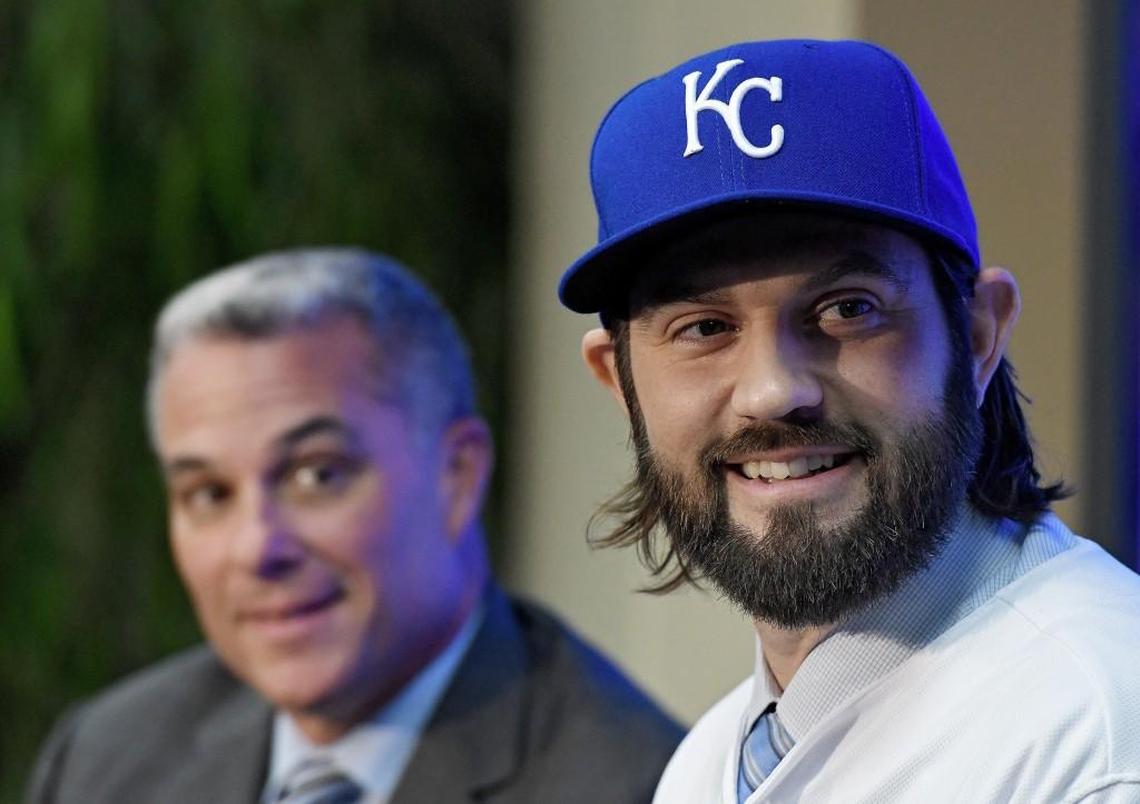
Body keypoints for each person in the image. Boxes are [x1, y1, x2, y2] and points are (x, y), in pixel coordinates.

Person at [559, 39, 1140, 802]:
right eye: (703, 328)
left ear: (977, 335)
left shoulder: (1102, 742)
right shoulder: (707, 764)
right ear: (621, 381)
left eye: (847, 309)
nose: (773, 391)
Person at [26, 248, 682, 804]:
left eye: (317, 475)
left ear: (457, 474)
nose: (257, 547)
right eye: (209, 493)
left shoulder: (638, 786)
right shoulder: (103, 759)